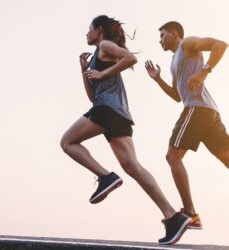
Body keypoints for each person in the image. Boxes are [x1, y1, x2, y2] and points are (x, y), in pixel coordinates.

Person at [60, 15, 191, 245]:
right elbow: (93, 97)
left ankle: (105, 177)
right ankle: (173, 217)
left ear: (99, 30)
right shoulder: (95, 58)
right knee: (134, 167)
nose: (86, 34)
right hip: (116, 114)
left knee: (67, 142)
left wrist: (101, 73)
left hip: (108, 111)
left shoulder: (105, 45)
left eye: (89, 30)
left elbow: (130, 59)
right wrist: (85, 71)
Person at [145, 21, 229, 230]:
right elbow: (177, 96)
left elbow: (220, 45)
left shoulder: (188, 44)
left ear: (174, 34)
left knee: (172, 156)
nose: (160, 40)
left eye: (163, 35)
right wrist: (158, 80)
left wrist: (204, 72)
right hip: (207, 111)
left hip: (197, 109)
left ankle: (191, 214)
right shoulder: (174, 62)